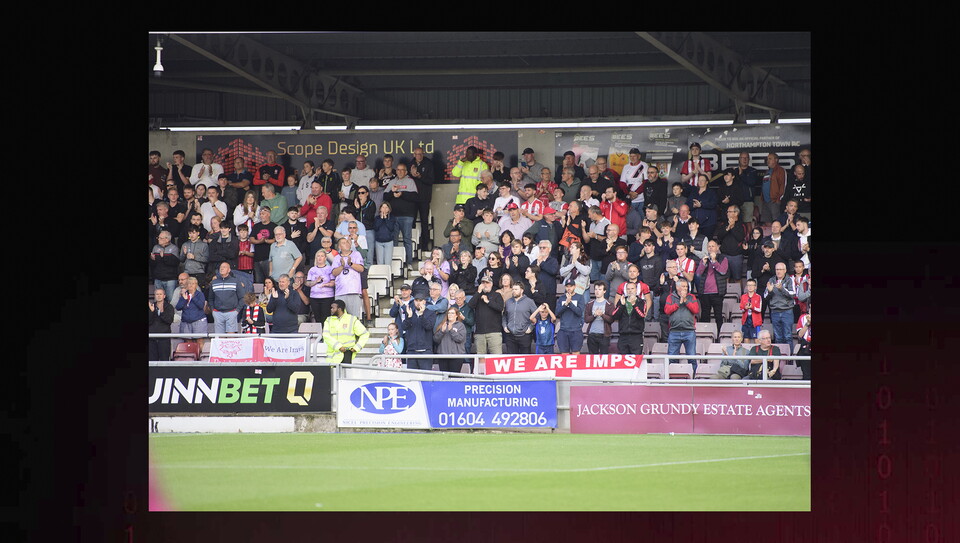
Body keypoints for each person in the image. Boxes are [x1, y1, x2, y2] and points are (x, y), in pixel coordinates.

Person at [383, 163, 418, 266]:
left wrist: (402, 194)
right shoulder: (392, 182)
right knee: (394, 240)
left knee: (407, 239)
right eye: (398, 170)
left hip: (407, 216)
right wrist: (392, 193)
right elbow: (385, 196)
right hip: (393, 215)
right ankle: (395, 264)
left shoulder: (410, 181)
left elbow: (415, 197)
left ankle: (409, 263)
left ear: (406, 171)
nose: (400, 172)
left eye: (402, 170)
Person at [664, 278, 700, 372]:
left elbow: (696, 310)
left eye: (686, 286)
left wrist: (685, 301)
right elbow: (667, 310)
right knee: (672, 358)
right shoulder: (670, 297)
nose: (685, 288)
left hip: (689, 331)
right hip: (674, 331)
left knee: (692, 357)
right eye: (683, 286)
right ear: (677, 287)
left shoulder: (691, 297)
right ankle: (671, 378)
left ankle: (693, 377)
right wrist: (678, 303)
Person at [322, 299, 369, 365]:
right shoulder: (328, 320)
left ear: (339, 309)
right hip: (332, 355)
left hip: (347, 353)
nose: (331, 310)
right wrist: (339, 347)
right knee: (333, 375)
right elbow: (325, 335)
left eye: (333, 308)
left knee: (346, 374)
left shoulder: (352, 319)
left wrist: (357, 347)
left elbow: (365, 334)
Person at [695, 240, 729, 330]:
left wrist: (714, 261)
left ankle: (718, 335)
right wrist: (703, 263)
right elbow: (698, 273)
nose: (711, 248)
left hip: (717, 292)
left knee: (718, 316)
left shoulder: (723, 258)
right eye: (709, 246)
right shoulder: (704, 258)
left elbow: (723, 271)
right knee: (705, 316)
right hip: (704, 292)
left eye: (713, 246)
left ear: (717, 247)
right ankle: (704, 335)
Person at [764, 262, 797, 354]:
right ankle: (779, 359)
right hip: (775, 311)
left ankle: (789, 359)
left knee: (788, 336)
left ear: (785, 270)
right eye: (777, 269)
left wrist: (782, 289)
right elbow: (765, 296)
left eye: (780, 269)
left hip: (787, 311)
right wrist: (770, 292)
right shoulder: (771, 280)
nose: (778, 271)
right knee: (778, 337)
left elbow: (793, 294)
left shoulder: (789, 280)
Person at [468, 276, 505, 356]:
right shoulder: (478, 295)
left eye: (487, 283)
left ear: (491, 284)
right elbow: (470, 305)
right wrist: (478, 292)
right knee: (480, 358)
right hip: (480, 332)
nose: (485, 285)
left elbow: (500, 308)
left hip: (494, 332)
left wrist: (488, 301)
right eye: (483, 283)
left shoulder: (497, 295)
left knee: (496, 358)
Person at [331, 237, 365, 321]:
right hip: (340, 292)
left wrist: (350, 264)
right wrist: (342, 266)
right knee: (340, 318)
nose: (346, 243)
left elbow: (361, 269)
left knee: (354, 318)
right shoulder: (336, 258)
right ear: (339, 247)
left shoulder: (356, 254)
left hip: (354, 291)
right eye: (343, 243)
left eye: (347, 242)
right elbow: (334, 273)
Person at [408, 146, 435, 247]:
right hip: (413, 198)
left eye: (420, 154)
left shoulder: (428, 164)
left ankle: (424, 245)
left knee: (424, 221)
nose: (419, 156)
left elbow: (431, 180)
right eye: (417, 154)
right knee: (412, 221)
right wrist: (411, 175)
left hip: (424, 197)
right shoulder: (410, 164)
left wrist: (420, 176)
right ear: (414, 155)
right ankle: (412, 245)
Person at [612, 281, 647, 355]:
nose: (630, 290)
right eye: (628, 289)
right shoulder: (621, 301)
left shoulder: (641, 302)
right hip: (623, 336)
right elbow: (614, 316)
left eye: (632, 288)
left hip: (636, 336)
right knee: (623, 362)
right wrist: (621, 305)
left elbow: (641, 316)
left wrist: (634, 305)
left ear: (636, 290)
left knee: (636, 361)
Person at [208, 262, 243, 334]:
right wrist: (213, 310)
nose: (222, 268)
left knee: (230, 339)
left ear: (229, 270)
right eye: (221, 267)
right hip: (217, 313)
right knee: (219, 339)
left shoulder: (235, 281)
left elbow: (242, 298)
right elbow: (210, 298)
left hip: (232, 312)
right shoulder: (214, 282)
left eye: (224, 267)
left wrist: (237, 311)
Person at [402, 295, 436, 370]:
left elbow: (428, 326)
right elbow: (404, 327)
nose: (418, 303)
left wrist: (421, 315)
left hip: (425, 351)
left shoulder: (431, 313)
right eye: (416, 300)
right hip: (412, 351)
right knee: (412, 378)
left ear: (424, 301)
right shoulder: (410, 313)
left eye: (420, 300)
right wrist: (409, 317)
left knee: (426, 378)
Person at [502, 283, 537, 354]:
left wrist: (530, 328)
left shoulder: (529, 301)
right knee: (511, 360)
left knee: (525, 360)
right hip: (510, 335)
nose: (514, 291)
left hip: (524, 335)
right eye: (513, 289)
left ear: (522, 290)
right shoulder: (508, 302)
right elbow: (504, 316)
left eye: (516, 289)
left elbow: (537, 315)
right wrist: (505, 326)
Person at [553, 279, 585, 354]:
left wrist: (570, 303)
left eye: (571, 286)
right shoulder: (561, 298)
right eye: (567, 286)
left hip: (576, 330)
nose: (569, 288)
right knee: (564, 354)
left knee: (576, 354)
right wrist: (565, 304)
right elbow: (557, 313)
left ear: (574, 286)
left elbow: (579, 312)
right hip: (563, 330)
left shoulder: (580, 297)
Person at [584, 281, 616, 354]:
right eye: (596, 289)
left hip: (604, 335)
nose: (597, 291)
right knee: (592, 358)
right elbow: (586, 319)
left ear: (604, 291)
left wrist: (602, 315)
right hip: (592, 334)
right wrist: (594, 315)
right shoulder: (590, 304)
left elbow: (611, 319)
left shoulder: (609, 304)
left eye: (600, 289)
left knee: (604, 358)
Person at [176, 277, 207, 349]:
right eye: (189, 283)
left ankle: (199, 359)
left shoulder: (200, 294)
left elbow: (201, 306)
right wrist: (184, 299)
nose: (191, 285)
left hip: (198, 321)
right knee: (187, 342)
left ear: (196, 285)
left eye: (193, 284)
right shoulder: (184, 295)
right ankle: (190, 358)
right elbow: (178, 307)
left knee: (199, 341)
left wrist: (193, 297)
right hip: (186, 321)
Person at [305, 250, 336, 324]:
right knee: (317, 317)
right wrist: (316, 281)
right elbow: (308, 283)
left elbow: (333, 282)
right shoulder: (312, 270)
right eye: (318, 256)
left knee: (326, 317)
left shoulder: (329, 269)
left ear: (325, 258)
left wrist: (326, 284)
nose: (320, 258)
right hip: (314, 297)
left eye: (322, 256)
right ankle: (319, 333)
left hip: (327, 297)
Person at [434, 307, 467, 372]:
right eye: (449, 313)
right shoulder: (442, 325)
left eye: (452, 313)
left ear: (456, 315)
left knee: (455, 378)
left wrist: (451, 330)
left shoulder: (461, 326)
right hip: (443, 355)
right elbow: (436, 340)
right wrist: (441, 332)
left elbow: (460, 339)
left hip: (456, 356)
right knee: (444, 378)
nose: (450, 315)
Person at [150, 231, 180, 302]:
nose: (158, 239)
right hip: (158, 279)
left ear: (167, 239)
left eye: (160, 238)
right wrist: (152, 259)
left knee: (171, 300)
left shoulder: (174, 248)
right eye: (158, 237)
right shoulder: (155, 247)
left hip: (170, 280)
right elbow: (153, 264)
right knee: (158, 301)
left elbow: (175, 263)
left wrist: (163, 257)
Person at [760, 153, 786, 226]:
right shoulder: (767, 171)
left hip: (774, 201)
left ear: (776, 160)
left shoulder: (780, 170)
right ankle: (769, 237)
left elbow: (783, 185)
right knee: (767, 221)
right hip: (765, 201)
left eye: (770, 159)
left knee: (776, 222)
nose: (768, 161)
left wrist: (778, 199)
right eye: (767, 159)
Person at [148, 288, 175, 361]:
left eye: (160, 294)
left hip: (164, 338)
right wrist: (152, 311)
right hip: (151, 338)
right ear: (154, 296)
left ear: (164, 296)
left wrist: (161, 313)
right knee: (152, 360)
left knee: (164, 360)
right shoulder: (150, 306)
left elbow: (169, 320)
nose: (159, 296)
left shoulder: (169, 307)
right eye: (157, 294)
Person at [372, 202, 398, 266]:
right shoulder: (377, 218)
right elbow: (376, 227)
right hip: (379, 242)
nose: (384, 209)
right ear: (380, 209)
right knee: (380, 262)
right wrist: (381, 218)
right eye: (383, 207)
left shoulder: (392, 218)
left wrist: (386, 218)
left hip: (389, 242)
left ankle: (388, 275)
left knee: (388, 262)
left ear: (389, 209)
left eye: (386, 207)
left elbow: (391, 228)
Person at [796, 304, 811, 379]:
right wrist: (807, 324)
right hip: (806, 348)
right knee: (807, 375)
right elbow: (800, 335)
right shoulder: (803, 317)